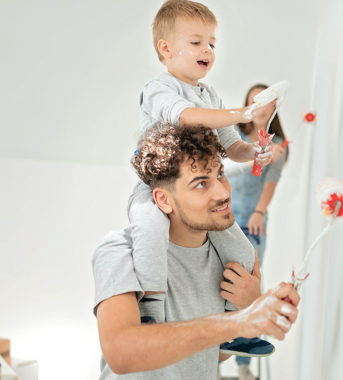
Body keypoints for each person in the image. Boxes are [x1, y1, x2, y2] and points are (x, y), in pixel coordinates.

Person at [128, 0, 278, 359]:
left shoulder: (210, 96)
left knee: (242, 249)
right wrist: (242, 112)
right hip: (155, 187)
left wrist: (254, 153)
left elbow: (232, 145)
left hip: (198, 190)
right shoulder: (158, 88)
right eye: (196, 42)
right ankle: (150, 317)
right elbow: (185, 118)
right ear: (165, 48)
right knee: (149, 228)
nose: (207, 50)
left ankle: (235, 328)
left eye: (212, 43)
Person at [92, 125, 301, 379]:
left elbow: (216, 354)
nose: (223, 192)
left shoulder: (227, 259)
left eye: (220, 174)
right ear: (164, 200)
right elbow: (121, 354)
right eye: (201, 183)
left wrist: (245, 308)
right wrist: (240, 320)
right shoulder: (121, 252)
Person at [219, 84, 289, 379]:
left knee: (249, 287)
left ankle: (244, 364)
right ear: (248, 106)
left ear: (274, 108)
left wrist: (259, 212)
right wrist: (253, 156)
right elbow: (221, 172)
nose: (262, 108)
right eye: (255, 102)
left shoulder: (279, 145)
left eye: (268, 103)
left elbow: (270, 183)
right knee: (220, 284)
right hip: (224, 218)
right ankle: (215, 357)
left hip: (252, 220)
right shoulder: (233, 140)